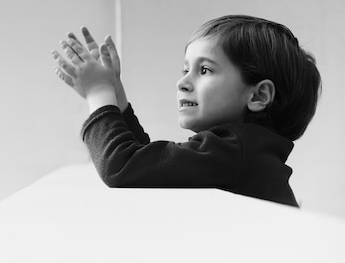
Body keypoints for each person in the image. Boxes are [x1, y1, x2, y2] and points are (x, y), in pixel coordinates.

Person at [51, 15, 322, 207]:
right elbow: (150, 168)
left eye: (204, 70)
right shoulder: (243, 151)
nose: (182, 83)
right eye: (185, 70)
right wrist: (116, 95)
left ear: (259, 95)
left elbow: (122, 167)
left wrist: (99, 93)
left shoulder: (234, 150)